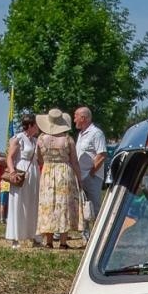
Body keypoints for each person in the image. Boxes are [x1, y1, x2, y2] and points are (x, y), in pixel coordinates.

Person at [35, 108, 82, 248]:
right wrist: (79, 179)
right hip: (64, 171)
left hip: (48, 171)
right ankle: (62, 241)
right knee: (64, 205)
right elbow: (74, 161)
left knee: (48, 205)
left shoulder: (41, 139)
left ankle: (48, 241)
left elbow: (39, 159)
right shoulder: (68, 139)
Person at [3, 112, 40, 247]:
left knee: (33, 203)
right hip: (21, 170)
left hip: (33, 171)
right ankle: (15, 237)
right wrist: (12, 172)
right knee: (18, 203)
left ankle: (33, 236)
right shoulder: (18, 138)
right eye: (36, 125)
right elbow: (10, 157)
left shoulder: (35, 140)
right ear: (30, 125)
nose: (38, 128)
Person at [74, 105, 107, 234]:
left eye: (76, 116)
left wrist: (91, 172)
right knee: (84, 207)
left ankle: (99, 233)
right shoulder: (81, 134)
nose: (74, 119)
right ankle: (86, 234)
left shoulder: (96, 133)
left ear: (83, 118)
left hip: (91, 176)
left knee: (95, 206)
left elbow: (102, 154)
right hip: (81, 176)